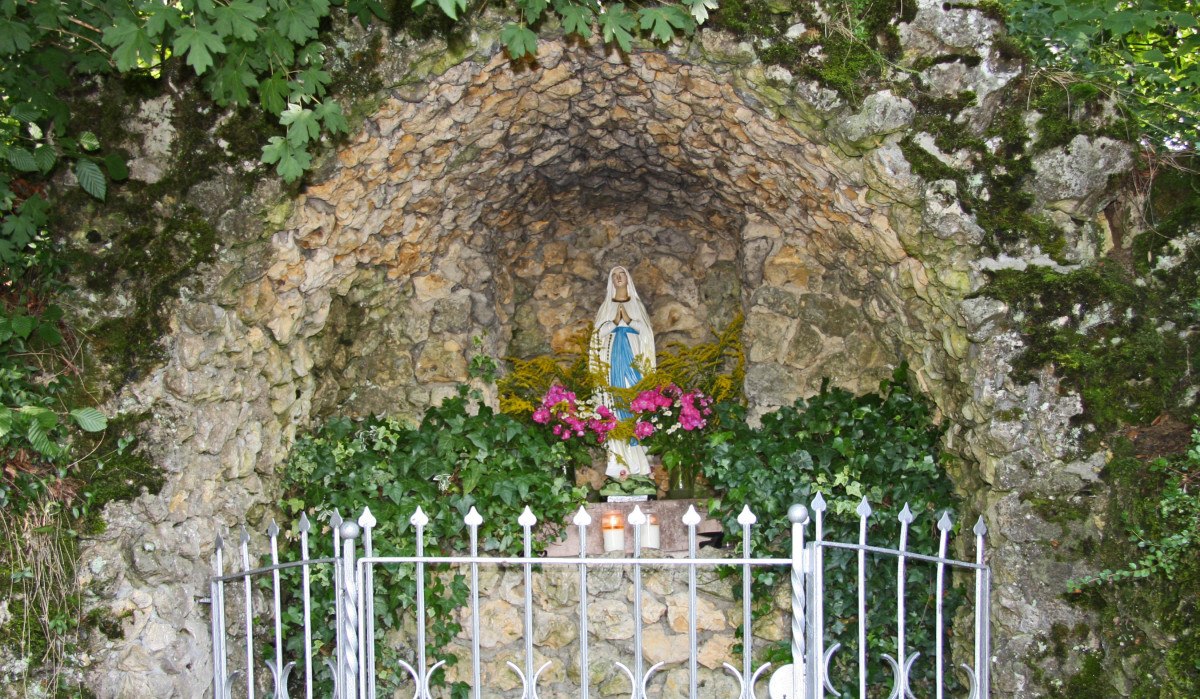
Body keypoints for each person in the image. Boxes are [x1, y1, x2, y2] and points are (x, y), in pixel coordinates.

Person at [591, 266, 656, 477]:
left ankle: (638, 466)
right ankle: (617, 464)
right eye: (614, 276)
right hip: (612, 363)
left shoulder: (636, 305)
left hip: (633, 361)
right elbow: (597, 336)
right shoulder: (606, 306)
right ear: (611, 281)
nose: (619, 279)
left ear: (628, 279)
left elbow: (646, 334)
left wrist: (628, 320)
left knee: (634, 406)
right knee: (615, 406)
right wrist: (613, 323)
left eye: (622, 275)